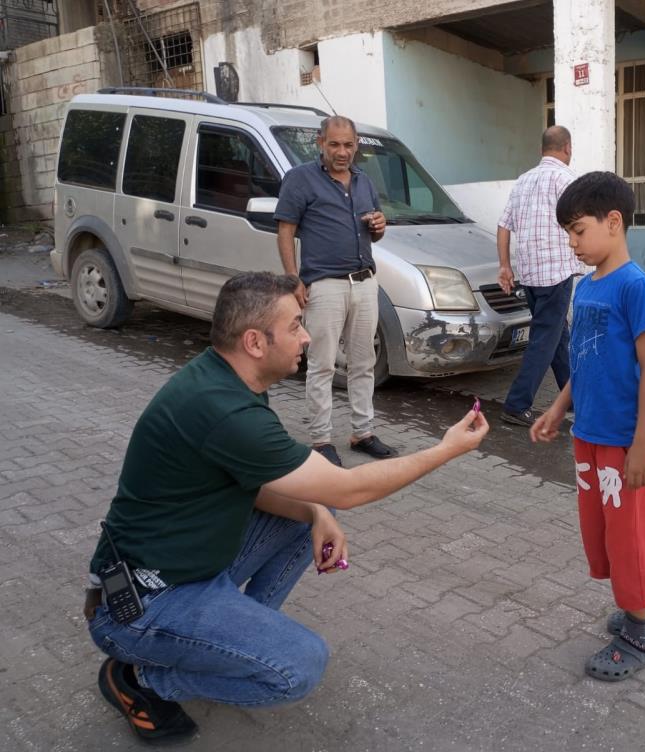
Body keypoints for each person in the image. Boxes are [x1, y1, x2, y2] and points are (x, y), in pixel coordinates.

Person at [84, 272, 489, 745]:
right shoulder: (223, 409)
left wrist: (316, 514)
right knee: (298, 667)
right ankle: (142, 680)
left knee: (307, 511)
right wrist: (445, 451)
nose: (308, 336)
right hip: (140, 605)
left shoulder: (229, 379)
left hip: (186, 570)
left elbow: (258, 485)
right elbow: (349, 488)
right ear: (255, 341)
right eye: (296, 325)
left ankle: (224, 645)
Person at [530, 172, 645, 682]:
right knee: (607, 529)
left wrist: (642, 443)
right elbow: (585, 360)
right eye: (568, 234)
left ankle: (638, 633)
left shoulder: (634, 286)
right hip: (589, 434)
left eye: (578, 231)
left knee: (630, 532)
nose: (572, 244)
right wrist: (557, 408)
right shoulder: (588, 285)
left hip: (625, 441)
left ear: (613, 223)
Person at [275, 114, 396, 466]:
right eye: (335, 144)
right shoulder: (300, 180)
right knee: (322, 364)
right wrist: (293, 278)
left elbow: (375, 230)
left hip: (364, 281)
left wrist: (379, 225)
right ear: (320, 143)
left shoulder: (363, 181)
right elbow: (285, 230)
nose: (342, 152)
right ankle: (321, 440)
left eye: (348, 145)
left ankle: (363, 432)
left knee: (363, 362)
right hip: (324, 284)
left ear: (356, 145)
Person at [496, 125, 582, 426]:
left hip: (530, 275)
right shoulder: (566, 179)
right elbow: (581, 223)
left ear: (541, 149)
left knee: (558, 334)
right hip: (556, 273)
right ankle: (516, 405)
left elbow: (503, 225)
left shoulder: (523, 181)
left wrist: (505, 266)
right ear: (568, 148)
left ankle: (574, 397)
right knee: (545, 339)